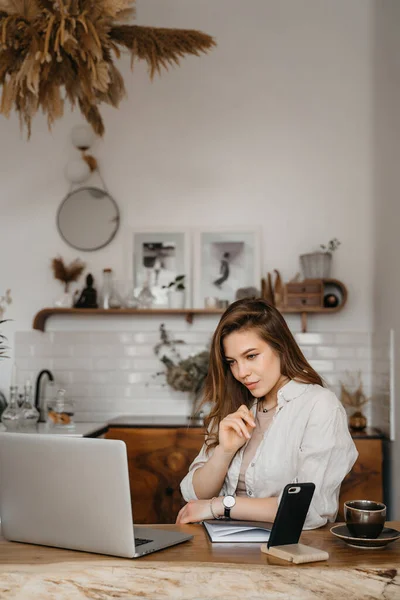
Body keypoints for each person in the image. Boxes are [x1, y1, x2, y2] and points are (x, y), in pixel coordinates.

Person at [177, 298, 358, 529]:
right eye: (232, 362)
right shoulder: (233, 404)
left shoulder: (319, 405)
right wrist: (225, 451)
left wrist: (222, 505)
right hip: (220, 546)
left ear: (280, 347)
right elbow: (193, 493)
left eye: (251, 356)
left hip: (287, 550)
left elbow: (307, 508)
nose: (241, 372)